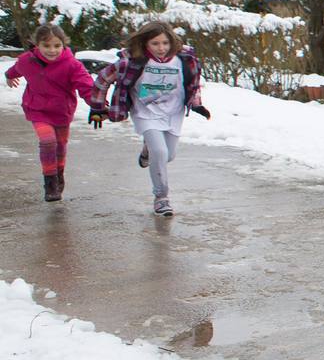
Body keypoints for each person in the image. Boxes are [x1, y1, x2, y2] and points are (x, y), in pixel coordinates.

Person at [89, 20, 210, 217]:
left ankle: (148, 149)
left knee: (167, 155)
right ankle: (161, 198)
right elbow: (102, 79)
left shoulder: (185, 60)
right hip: (145, 113)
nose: (161, 48)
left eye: (165, 43)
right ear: (145, 43)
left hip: (173, 112)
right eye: (155, 43)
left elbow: (193, 85)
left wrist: (196, 104)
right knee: (160, 153)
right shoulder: (132, 62)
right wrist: (97, 107)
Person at [5, 24, 100, 202]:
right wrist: (9, 75)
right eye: (46, 45)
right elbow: (16, 68)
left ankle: (58, 176)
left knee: (60, 145)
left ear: (63, 45)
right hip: (37, 110)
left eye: (57, 46)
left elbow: (86, 87)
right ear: (36, 45)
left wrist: (97, 105)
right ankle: (50, 183)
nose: (52, 50)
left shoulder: (72, 65)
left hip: (61, 112)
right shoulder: (27, 60)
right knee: (48, 141)